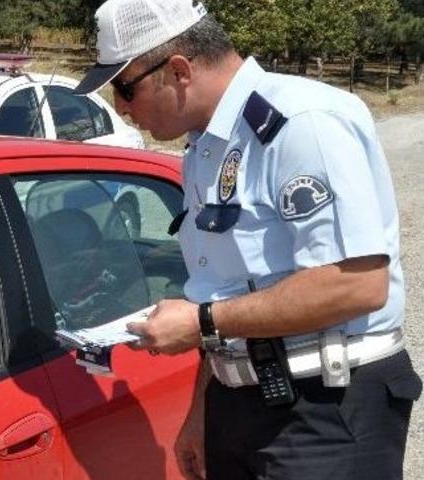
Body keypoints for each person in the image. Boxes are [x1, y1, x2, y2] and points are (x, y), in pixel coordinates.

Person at [74, 1, 421, 479]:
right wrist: (201, 408)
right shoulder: (205, 146)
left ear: (178, 70)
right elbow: (224, 288)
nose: (120, 108)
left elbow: (356, 285)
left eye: (124, 87)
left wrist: (201, 323)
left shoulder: (301, 122)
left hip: (327, 406)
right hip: (240, 400)